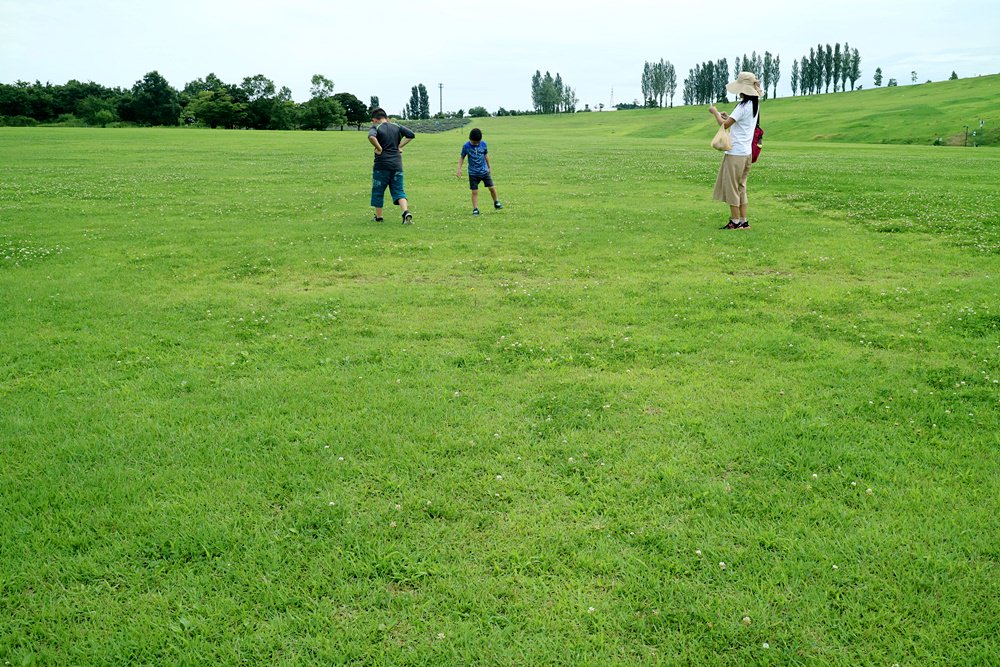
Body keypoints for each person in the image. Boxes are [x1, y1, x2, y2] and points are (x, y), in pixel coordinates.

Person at [709, 72, 762, 229]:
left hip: (735, 153)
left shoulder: (742, 106)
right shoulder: (754, 105)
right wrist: (728, 116)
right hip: (746, 153)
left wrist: (715, 112)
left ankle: (735, 221)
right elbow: (736, 122)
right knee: (741, 187)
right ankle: (743, 221)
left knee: (732, 187)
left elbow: (723, 125)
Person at [368, 108, 415, 224]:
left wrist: (379, 148)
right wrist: (399, 146)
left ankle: (379, 217)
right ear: (386, 118)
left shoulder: (376, 127)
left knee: (378, 191)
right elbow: (411, 135)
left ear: (375, 120)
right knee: (399, 190)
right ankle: (405, 212)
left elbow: (371, 137)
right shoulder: (396, 126)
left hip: (381, 166)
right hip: (397, 165)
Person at [456, 127, 502, 216]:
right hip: (473, 173)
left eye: (478, 142)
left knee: (492, 188)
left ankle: (496, 202)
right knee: (474, 191)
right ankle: (475, 209)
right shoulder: (466, 146)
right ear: (470, 139)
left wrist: (489, 166)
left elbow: (486, 155)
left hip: (484, 171)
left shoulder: (483, 144)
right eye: (474, 142)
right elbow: (462, 157)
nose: (476, 144)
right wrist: (459, 169)